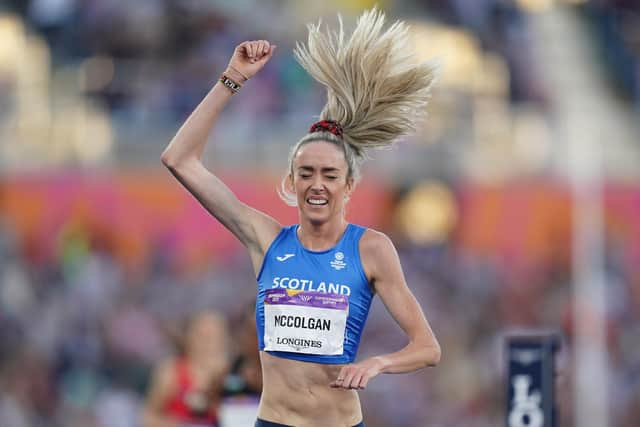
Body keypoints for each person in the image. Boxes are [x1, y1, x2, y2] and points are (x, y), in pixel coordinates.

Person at [161, 8, 441, 427]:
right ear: (290, 183)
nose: (317, 185)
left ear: (348, 186)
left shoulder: (371, 249)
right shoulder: (267, 239)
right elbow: (179, 159)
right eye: (306, 173)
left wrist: (376, 364)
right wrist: (232, 78)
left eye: (330, 175)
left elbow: (427, 348)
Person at [142, 311, 229, 427]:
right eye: (202, 335)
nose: (208, 342)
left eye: (214, 336)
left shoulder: (234, 374)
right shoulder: (171, 371)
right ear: (188, 337)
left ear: (224, 340)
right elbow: (147, 417)